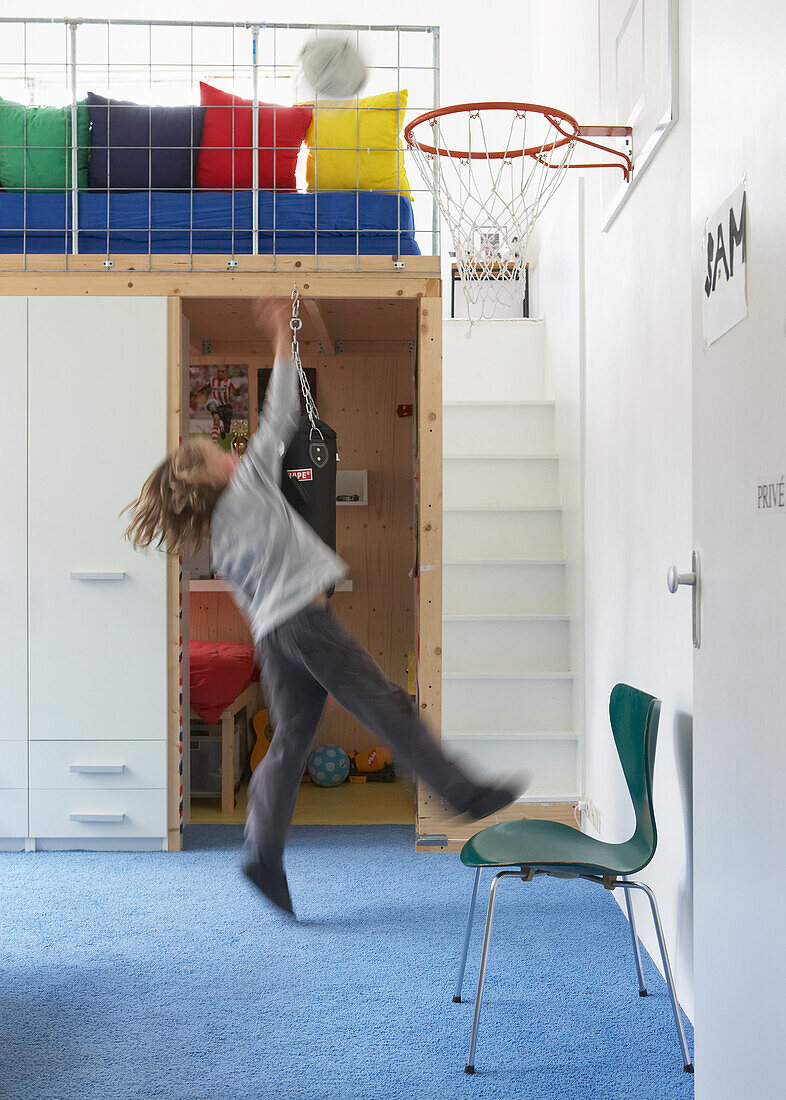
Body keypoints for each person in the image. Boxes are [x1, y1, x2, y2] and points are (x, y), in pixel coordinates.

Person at [125, 298, 528, 918]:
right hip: (306, 626)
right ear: (211, 478)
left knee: (290, 739)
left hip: (272, 637)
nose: (232, 452)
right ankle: (461, 792)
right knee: (389, 706)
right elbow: (281, 411)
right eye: (218, 454)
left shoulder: (214, 531)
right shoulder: (249, 485)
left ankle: (262, 853)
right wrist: (279, 338)